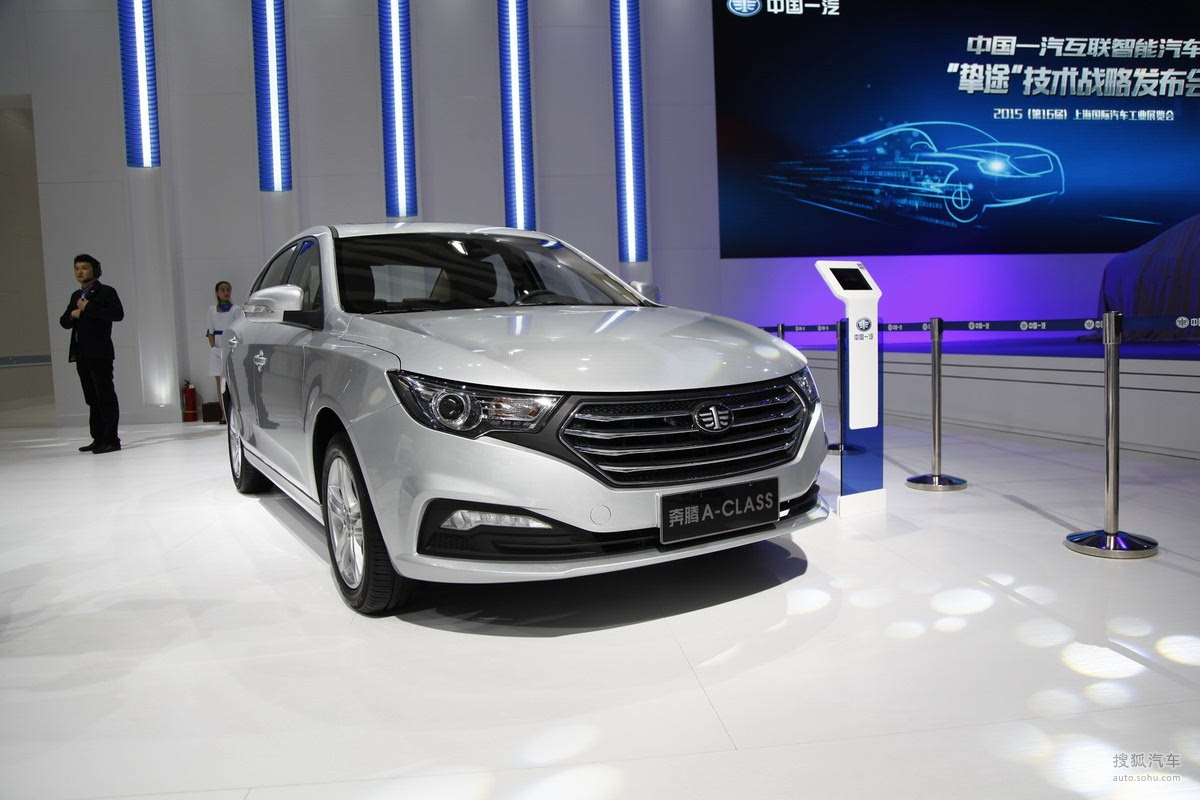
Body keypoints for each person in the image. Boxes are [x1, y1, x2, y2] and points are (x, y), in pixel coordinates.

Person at [59, 253, 124, 453]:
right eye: (76, 268)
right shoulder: (76, 296)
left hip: (100, 352)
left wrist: (88, 307)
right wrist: (73, 314)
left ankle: (112, 439)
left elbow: (117, 314)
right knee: (91, 397)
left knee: (105, 395)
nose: (80, 272)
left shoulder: (106, 292)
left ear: (95, 270)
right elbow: (64, 322)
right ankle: (98, 438)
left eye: (84, 267)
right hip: (81, 353)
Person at [206, 281, 239, 424]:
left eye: (228, 290)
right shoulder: (212, 310)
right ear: (217, 292)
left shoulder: (236, 310)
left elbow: (238, 329)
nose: (226, 292)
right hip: (217, 349)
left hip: (231, 346)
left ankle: (236, 413)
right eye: (222, 290)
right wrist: (214, 348)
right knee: (219, 382)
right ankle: (224, 414)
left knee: (233, 382)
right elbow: (210, 331)